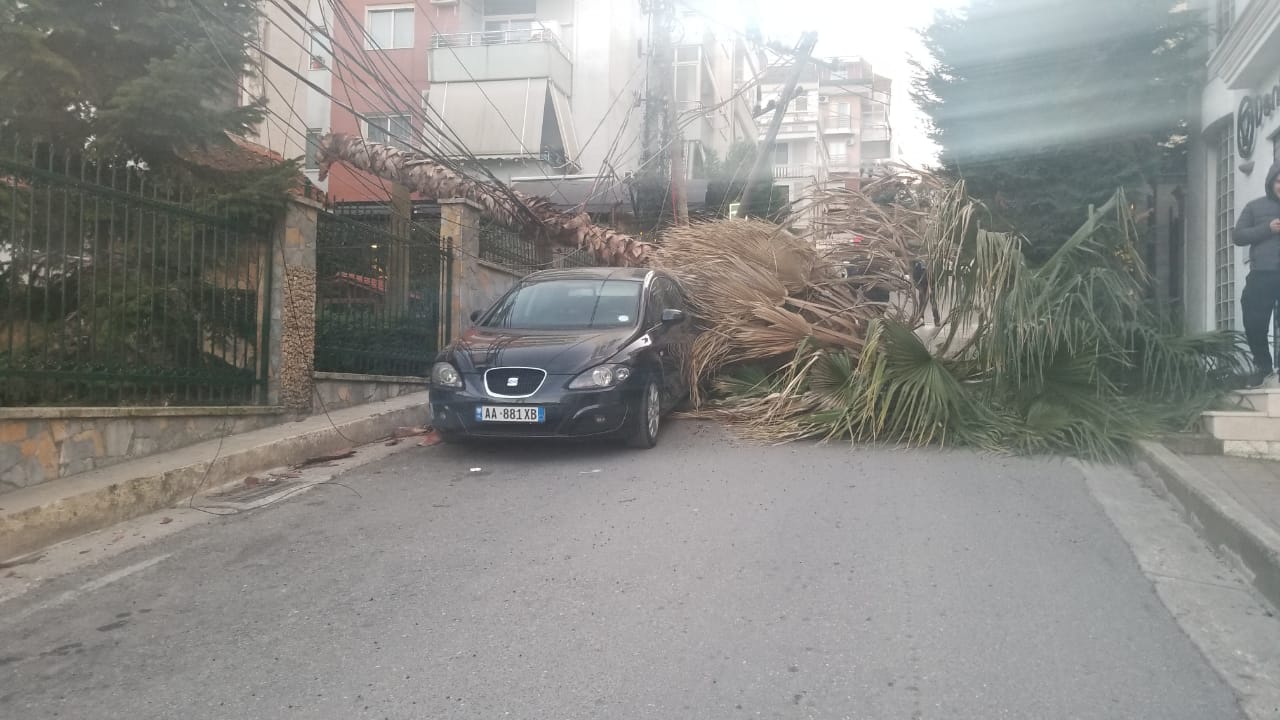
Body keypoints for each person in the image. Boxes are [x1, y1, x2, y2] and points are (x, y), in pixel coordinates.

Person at [1234, 161, 1280, 387]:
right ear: (1271, 182)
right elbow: (1238, 236)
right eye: (1279, 181)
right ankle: (1263, 367)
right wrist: (1267, 229)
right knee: (1254, 320)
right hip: (1263, 272)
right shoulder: (1255, 206)